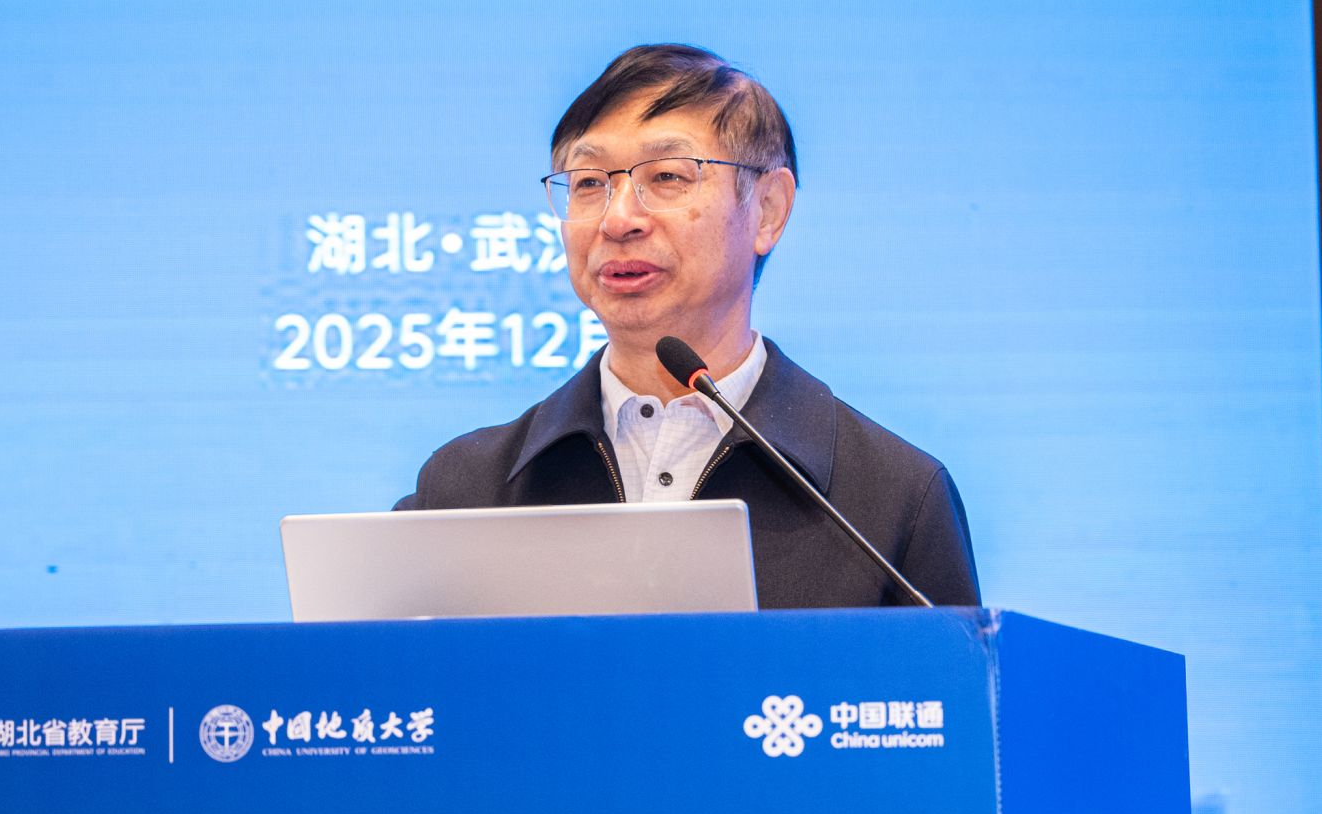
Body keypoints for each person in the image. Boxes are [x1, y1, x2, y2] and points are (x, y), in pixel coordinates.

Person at [397, 44, 980, 608]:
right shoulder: (463, 491)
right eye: (589, 183)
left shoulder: (891, 499)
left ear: (768, 210)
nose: (618, 219)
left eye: (668, 177)